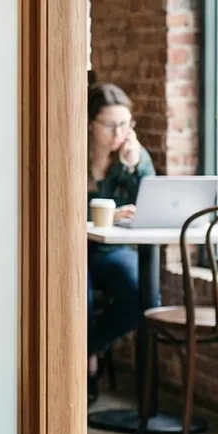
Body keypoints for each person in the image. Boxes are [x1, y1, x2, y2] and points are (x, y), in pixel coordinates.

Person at [87, 82, 154, 383]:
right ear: (90, 124)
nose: (118, 134)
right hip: (75, 251)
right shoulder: (73, 155)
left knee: (143, 294)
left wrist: (133, 167)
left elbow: (150, 202)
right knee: (80, 301)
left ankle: (88, 351)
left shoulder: (133, 157)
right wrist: (103, 215)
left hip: (111, 250)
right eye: (110, 125)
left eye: (125, 125)